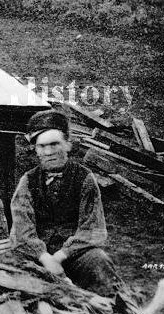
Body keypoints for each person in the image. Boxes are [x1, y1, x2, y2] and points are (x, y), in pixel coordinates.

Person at [10, 110, 119, 296]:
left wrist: (60, 257)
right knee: (6, 268)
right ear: (35, 149)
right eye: (42, 146)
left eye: (55, 144)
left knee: (99, 262)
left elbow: (92, 228)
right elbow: (22, 229)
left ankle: (114, 313)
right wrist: (45, 258)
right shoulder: (27, 181)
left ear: (68, 145)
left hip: (74, 254)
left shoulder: (85, 178)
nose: (49, 152)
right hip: (37, 255)